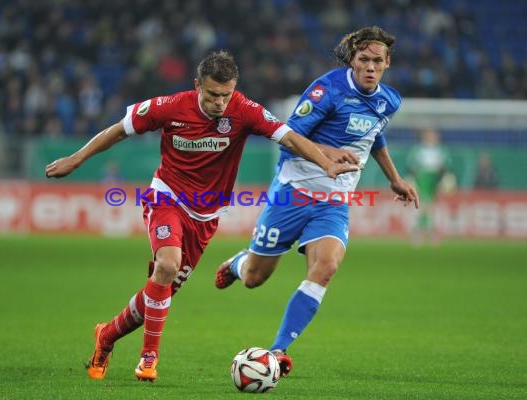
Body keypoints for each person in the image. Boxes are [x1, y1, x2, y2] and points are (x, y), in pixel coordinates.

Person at [44, 50, 359, 382]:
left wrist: (326, 163)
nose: (220, 103)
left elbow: (290, 138)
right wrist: (76, 159)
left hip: (206, 215)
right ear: (197, 86)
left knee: (160, 289)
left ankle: (106, 336)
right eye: (212, 95)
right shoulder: (169, 107)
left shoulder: (245, 110)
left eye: (226, 95)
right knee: (167, 265)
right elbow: (119, 130)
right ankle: (148, 358)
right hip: (166, 197)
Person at [213, 26, 419, 377]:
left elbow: (374, 133)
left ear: (387, 64)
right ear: (353, 60)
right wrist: (329, 152)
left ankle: (278, 351)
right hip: (292, 193)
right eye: (364, 59)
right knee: (254, 279)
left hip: (334, 201)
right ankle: (239, 263)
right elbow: (287, 137)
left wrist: (394, 179)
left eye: (377, 61)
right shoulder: (327, 90)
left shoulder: (390, 100)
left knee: (326, 267)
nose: (370, 67)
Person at [407, 128, 452, 245]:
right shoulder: (418, 150)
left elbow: (445, 166)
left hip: (435, 178)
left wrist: (444, 179)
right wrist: (413, 178)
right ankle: (426, 233)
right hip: (423, 178)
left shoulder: (441, 150)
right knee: (426, 205)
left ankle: (421, 232)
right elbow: (412, 166)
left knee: (428, 206)